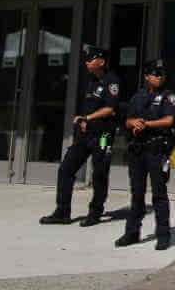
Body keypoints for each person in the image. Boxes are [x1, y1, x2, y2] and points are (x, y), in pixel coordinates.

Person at [40, 45, 120, 226]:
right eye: (87, 59)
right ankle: (62, 212)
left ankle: (95, 212)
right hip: (85, 135)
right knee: (66, 169)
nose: (87, 62)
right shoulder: (91, 81)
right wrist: (84, 122)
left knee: (99, 174)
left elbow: (110, 108)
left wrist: (88, 117)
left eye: (91, 59)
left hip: (103, 135)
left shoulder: (111, 81)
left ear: (101, 61)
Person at [115, 58, 175, 250]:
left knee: (159, 193)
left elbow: (168, 120)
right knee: (137, 194)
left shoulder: (168, 96)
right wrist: (132, 123)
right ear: (146, 76)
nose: (159, 77)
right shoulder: (138, 96)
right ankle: (132, 232)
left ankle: (163, 235)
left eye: (162, 74)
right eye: (156, 74)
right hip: (138, 150)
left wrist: (147, 124)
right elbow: (127, 120)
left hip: (156, 150)